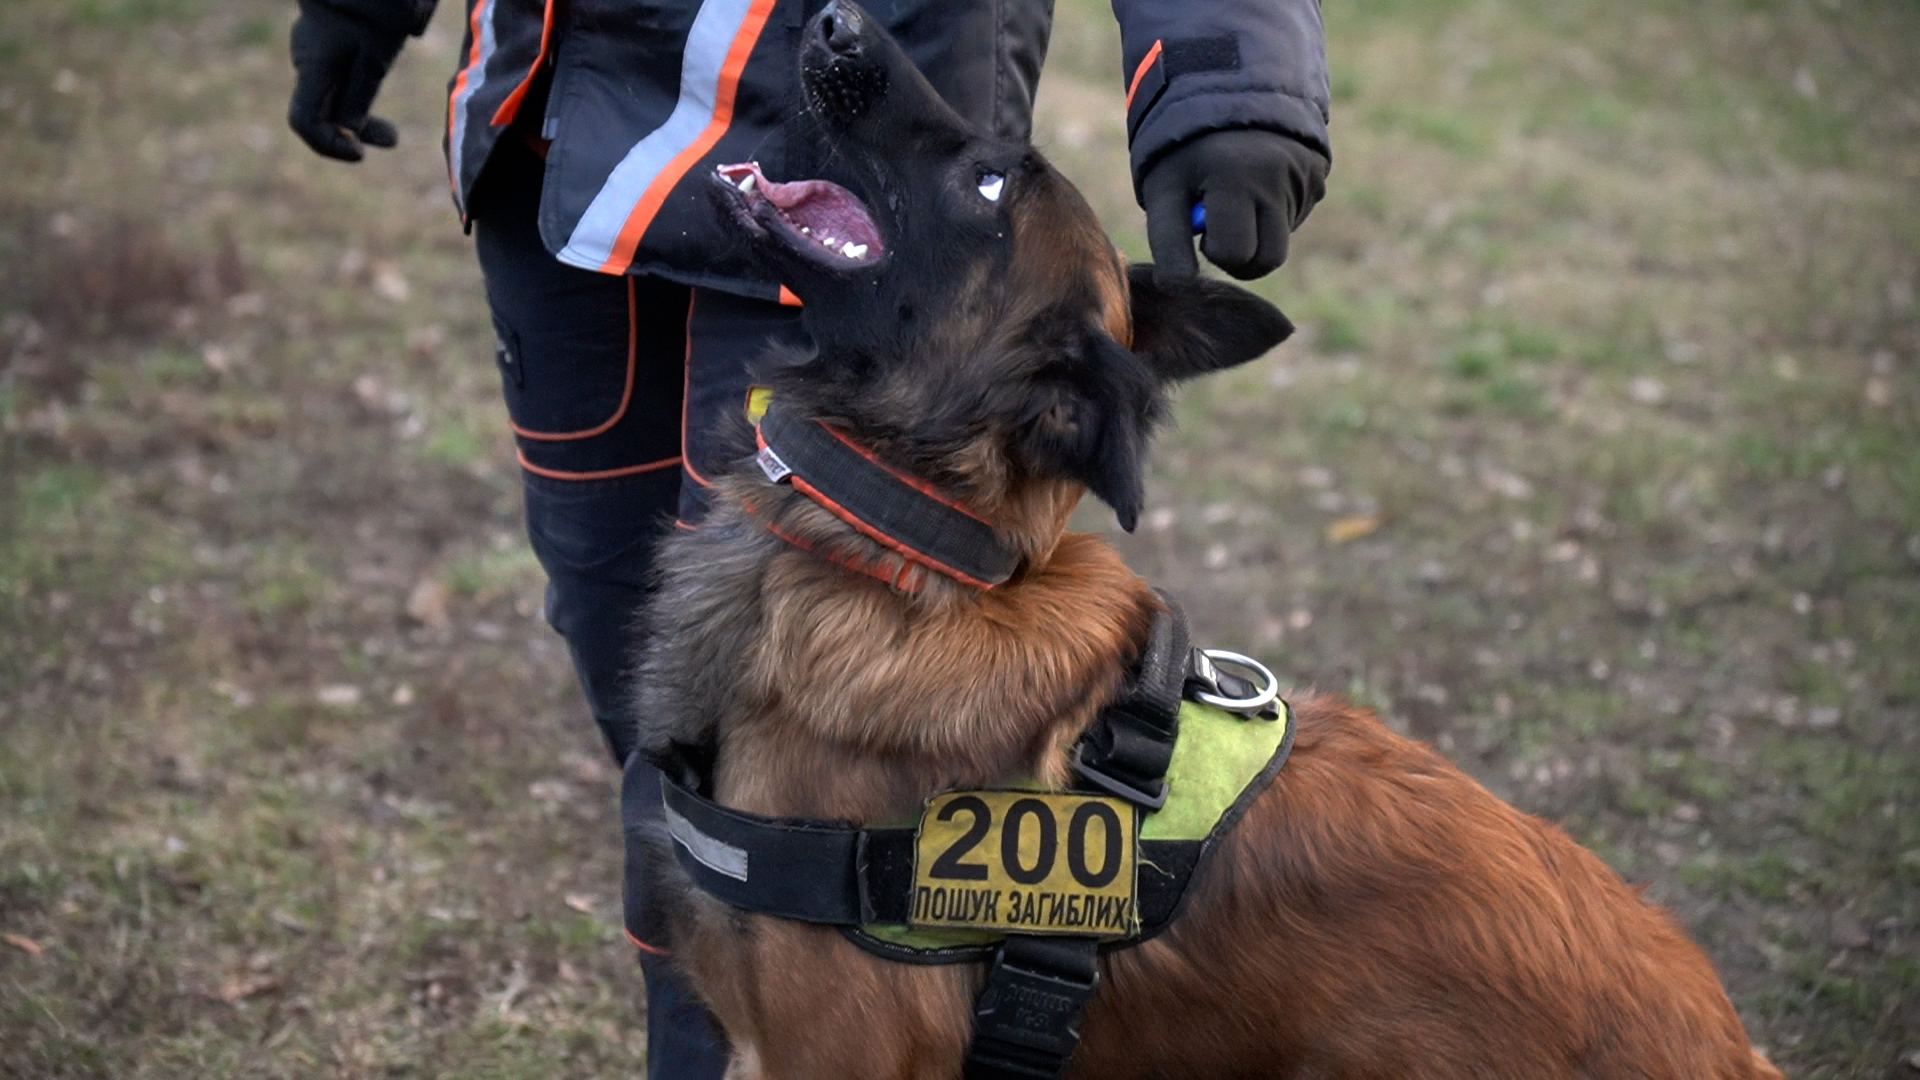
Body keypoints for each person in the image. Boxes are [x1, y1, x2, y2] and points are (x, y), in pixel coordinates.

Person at [287, 0, 1330, 1075]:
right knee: (652, 718)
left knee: (791, 763)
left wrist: (1229, 75)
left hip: (881, 177)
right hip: (565, 128)